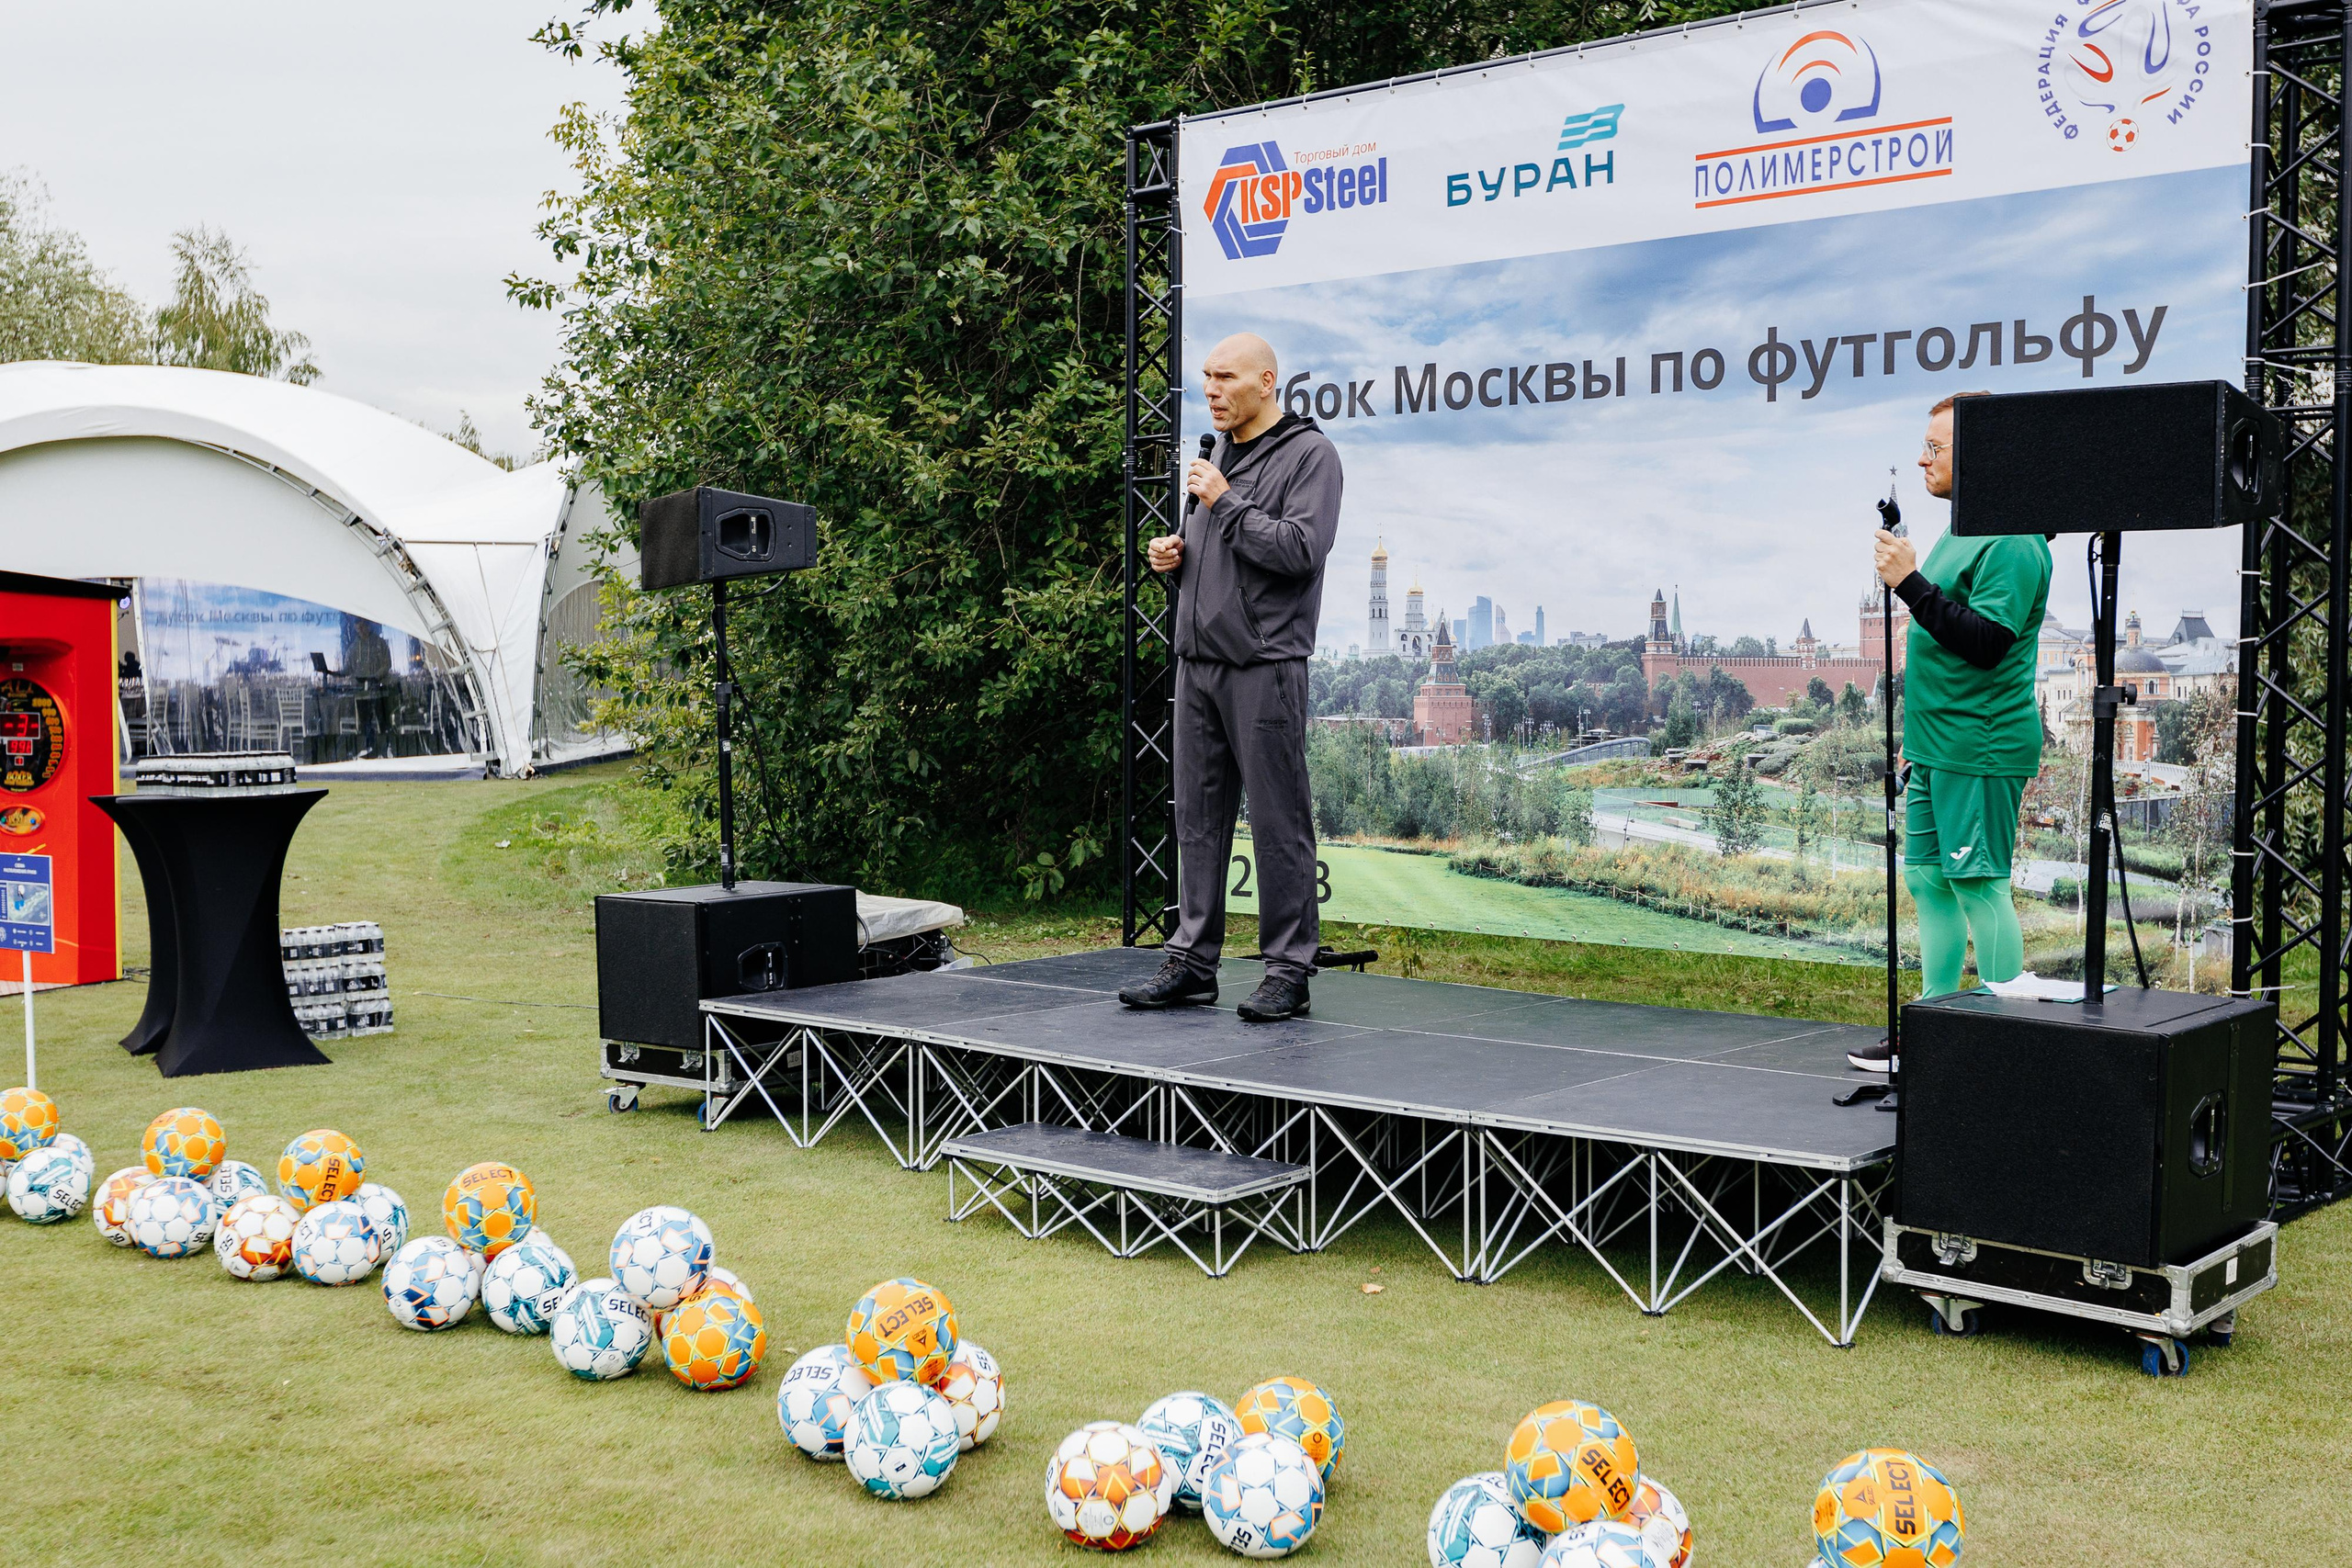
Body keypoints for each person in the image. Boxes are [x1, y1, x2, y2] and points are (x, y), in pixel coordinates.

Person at [1117, 333, 1344, 1021]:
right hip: (1199, 663)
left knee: (1279, 823)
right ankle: (1191, 962)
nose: (1211, 389)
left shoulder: (1311, 456)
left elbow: (1301, 551)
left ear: (1267, 382)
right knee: (1197, 823)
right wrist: (1176, 557)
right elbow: (1228, 558)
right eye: (1206, 377)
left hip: (1265, 664)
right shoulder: (1217, 456)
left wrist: (1224, 504)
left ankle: (1288, 971)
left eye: (1226, 377)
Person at [1850, 391, 2052, 1071]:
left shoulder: (2017, 540)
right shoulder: (1963, 529)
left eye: (1934, 448)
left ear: (1983, 456)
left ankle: (2003, 1048)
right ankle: (1934, 1032)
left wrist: (1907, 582)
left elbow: (1989, 641)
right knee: (1930, 882)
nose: (1921, 458)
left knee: (1978, 883)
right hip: (1937, 746)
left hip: (1981, 744)